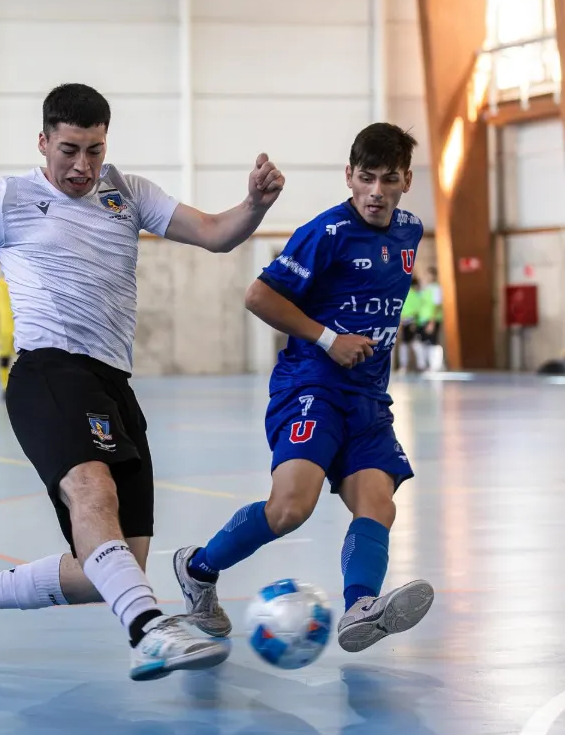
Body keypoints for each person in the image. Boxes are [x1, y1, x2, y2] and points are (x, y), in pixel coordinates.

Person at [0, 83, 285, 681]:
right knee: (92, 493)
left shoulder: (129, 194)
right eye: (70, 150)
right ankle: (148, 629)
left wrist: (255, 206)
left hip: (113, 383)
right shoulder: (9, 200)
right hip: (47, 370)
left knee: (109, 569)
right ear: (43, 143)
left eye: (96, 150)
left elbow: (214, 232)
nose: (84, 166)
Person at [173, 123, 434, 654]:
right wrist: (329, 338)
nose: (376, 192)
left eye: (389, 179)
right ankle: (198, 569)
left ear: (407, 180)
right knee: (291, 508)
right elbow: (258, 296)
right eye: (366, 178)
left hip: (368, 397)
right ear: (349, 177)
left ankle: (361, 606)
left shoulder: (410, 231)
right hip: (311, 383)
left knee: (378, 506)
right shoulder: (326, 233)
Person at [418, 266, 444, 371]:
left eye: (430, 274)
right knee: (424, 342)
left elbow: (437, 305)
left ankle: (436, 365)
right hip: (423, 319)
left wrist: (432, 322)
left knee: (433, 341)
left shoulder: (436, 288)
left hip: (432, 319)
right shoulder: (425, 288)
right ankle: (427, 364)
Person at [397, 276, 421, 373]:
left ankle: (407, 366)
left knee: (410, 344)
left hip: (408, 321)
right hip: (410, 321)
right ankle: (415, 365)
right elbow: (417, 309)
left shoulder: (405, 293)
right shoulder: (414, 294)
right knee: (408, 344)